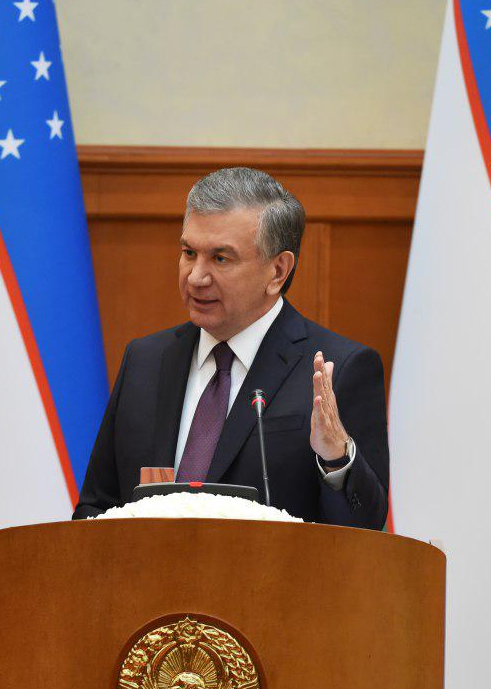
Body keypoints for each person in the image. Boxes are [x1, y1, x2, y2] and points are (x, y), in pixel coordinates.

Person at [73, 167, 388, 528]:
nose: (196, 277)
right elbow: (96, 508)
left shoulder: (339, 369)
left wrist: (336, 458)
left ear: (278, 272)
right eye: (189, 253)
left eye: (220, 258)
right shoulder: (146, 360)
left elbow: (363, 531)